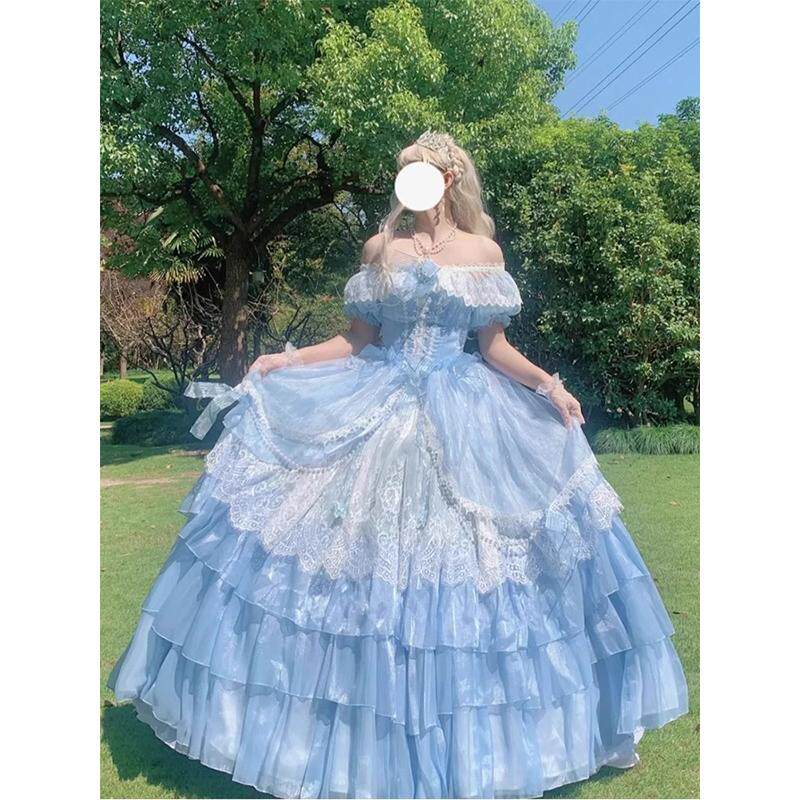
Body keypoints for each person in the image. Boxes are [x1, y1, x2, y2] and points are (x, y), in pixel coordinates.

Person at [108, 131, 689, 799]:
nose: (408, 184)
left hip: (464, 411)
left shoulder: (483, 253)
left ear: (448, 179)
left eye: (419, 172)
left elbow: (494, 347)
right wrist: (285, 359)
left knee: (483, 554)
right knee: (344, 551)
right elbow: (356, 339)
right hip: (378, 403)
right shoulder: (379, 250)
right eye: (403, 173)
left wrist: (548, 386)